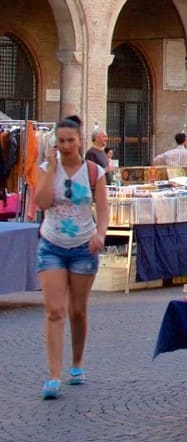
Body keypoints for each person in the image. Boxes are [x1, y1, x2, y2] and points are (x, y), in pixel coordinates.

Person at [34, 116, 109, 399]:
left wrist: (100, 234)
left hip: (82, 246)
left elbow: (102, 209)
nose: (65, 146)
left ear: (79, 141)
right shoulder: (46, 168)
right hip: (52, 244)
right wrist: (52, 167)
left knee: (78, 311)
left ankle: (77, 363)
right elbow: (41, 203)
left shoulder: (93, 172)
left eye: (70, 140)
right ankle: (54, 375)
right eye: (61, 141)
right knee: (55, 311)